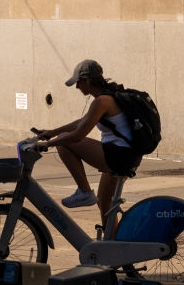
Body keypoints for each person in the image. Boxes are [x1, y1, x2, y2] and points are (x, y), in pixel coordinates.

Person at [35, 59, 143, 221]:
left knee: (64, 141)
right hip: (128, 156)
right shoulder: (109, 96)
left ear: (87, 81)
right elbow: (82, 122)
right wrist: (52, 132)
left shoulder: (101, 101)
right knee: (105, 205)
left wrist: (47, 144)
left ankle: (84, 192)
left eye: (78, 83)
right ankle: (112, 243)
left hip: (119, 157)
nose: (77, 87)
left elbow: (78, 135)